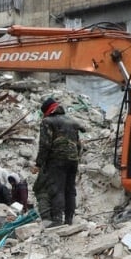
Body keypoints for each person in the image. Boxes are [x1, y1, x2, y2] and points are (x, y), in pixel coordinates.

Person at [37, 97, 85, 226]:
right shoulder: (72, 122)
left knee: (57, 189)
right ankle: (69, 219)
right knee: (70, 189)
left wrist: (39, 163)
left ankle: (57, 220)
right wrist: (76, 158)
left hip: (56, 161)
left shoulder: (47, 122)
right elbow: (79, 144)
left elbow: (45, 145)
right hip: (73, 160)